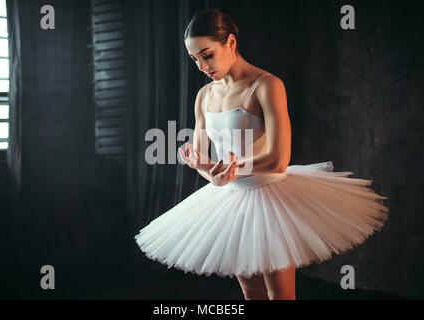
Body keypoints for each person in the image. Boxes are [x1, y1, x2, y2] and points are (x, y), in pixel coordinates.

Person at [134, 9, 389, 300]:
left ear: (230, 42)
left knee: (280, 294)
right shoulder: (204, 96)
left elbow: (278, 158)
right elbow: (205, 161)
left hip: (270, 197)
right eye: (194, 59)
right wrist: (204, 169)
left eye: (207, 55)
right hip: (231, 201)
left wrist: (226, 170)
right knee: (250, 292)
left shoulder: (266, 85)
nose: (202, 66)